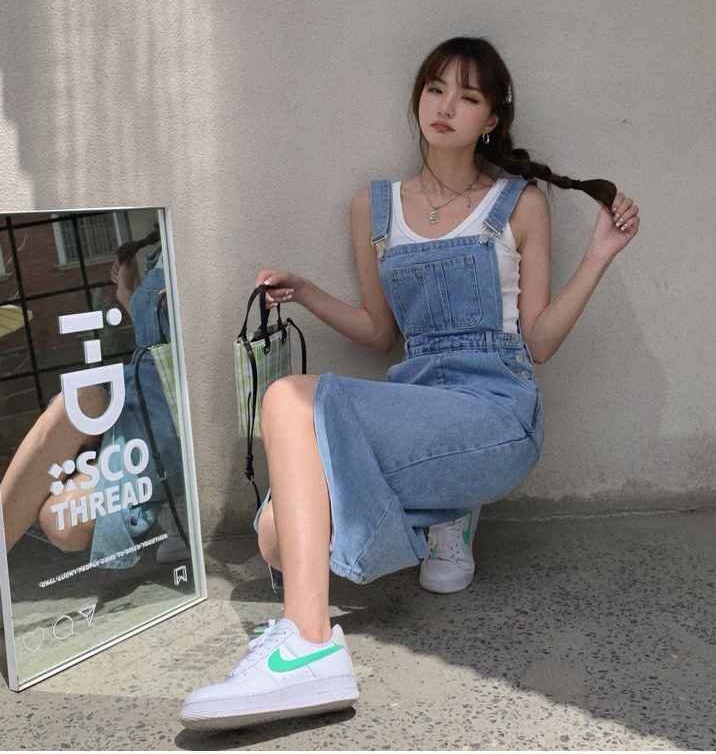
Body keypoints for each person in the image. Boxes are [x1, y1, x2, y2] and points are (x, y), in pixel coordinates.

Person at [179, 36, 640, 731]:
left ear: (491, 119)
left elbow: (540, 341)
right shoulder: (374, 208)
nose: (445, 106)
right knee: (275, 538)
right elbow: (377, 331)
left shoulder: (520, 204)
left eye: (468, 96)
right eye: (435, 89)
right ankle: (441, 512)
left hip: (493, 408)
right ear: (418, 99)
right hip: (416, 402)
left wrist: (600, 255)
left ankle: (307, 648)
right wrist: (306, 291)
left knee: (286, 398)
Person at [0, 229, 185, 568]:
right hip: (134, 391)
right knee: (79, 400)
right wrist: (126, 291)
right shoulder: (159, 253)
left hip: (164, 413)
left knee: (60, 523)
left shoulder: (189, 246)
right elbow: (152, 333)